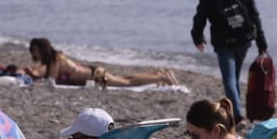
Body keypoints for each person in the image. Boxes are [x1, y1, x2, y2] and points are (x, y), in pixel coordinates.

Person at [190, 0, 267, 121]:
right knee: (234, 77)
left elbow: (200, 16)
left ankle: (237, 114)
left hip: (223, 41)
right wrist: (262, 41)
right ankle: (235, 109)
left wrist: (198, 37)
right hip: (244, 38)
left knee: (230, 79)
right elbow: (254, 14)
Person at [23, 38, 177, 89]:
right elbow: (50, 78)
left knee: (127, 82)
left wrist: (34, 82)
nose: (33, 54)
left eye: (34, 50)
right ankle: (157, 73)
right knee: (126, 77)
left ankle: (160, 79)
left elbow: (51, 82)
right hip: (94, 72)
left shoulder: (56, 59)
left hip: (96, 76)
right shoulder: (55, 59)